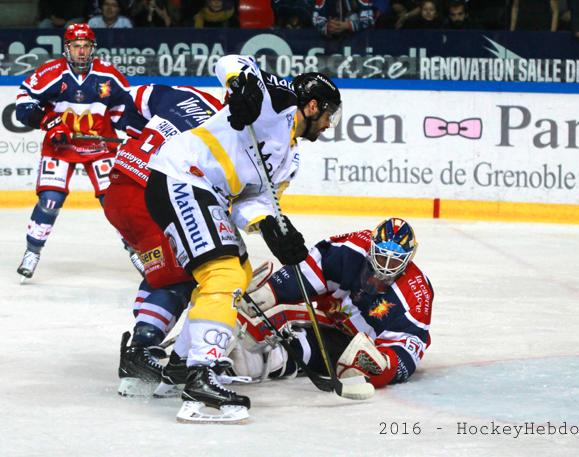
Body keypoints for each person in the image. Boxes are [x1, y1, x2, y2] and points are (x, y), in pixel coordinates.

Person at [143, 55, 342, 421]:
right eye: (329, 114)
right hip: (183, 175)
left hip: (207, 194)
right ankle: (201, 375)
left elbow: (254, 200)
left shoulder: (291, 160)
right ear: (312, 106)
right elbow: (232, 62)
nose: (329, 124)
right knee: (223, 273)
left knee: (241, 272)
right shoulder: (279, 100)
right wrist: (241, 86)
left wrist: (272, 228)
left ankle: (181, 366)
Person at [102, 84, 223, 396]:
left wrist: (134, 131)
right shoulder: (230, 129)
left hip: (118, 191)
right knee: (186, 272)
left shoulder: (188, 94)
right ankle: (141, 349)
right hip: (151, 198)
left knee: (160, 269)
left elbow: (133, 96)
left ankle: (142, 344)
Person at [232, 217, 433, 390]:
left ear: (409, 257)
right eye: (381, 256)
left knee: (297, 348)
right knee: (260, 311)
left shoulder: (415, 294)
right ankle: (221, 333)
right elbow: (313, 269)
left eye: (395, 261)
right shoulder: (352, 248)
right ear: (372, 246)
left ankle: (251, 362)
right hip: (328, 318)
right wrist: (274, 290)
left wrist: (385, 364)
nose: (385, 267)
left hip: (354, 347)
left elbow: (409, 346)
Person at [15, 23, 135, 282]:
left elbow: (124, 109)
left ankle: (137, 252)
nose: (81, 51)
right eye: (76, 46)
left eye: (86, 46)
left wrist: (134, 131)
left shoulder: (108, 75)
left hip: (100, 147)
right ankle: (32, 252)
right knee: (50, 199)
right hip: (61, 145)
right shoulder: (52, 73)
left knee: (114, 201)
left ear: (93, 48)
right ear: (66, 48)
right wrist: (49, 122)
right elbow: (24, 103)